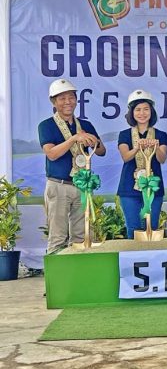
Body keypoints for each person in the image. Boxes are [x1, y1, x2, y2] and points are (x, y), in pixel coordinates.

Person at [38, 78, 106, 253]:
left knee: (81, 236)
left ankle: (78, 276)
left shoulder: (85, 124)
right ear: (54, 102)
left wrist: (94, 141)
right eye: (62, 98)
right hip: (58, 185)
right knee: (58, 236)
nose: (67, 102)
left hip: (82, 185)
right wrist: (74, 138)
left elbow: (101, 151)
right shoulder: (46, 125)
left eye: (71, 97)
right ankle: (56, 278)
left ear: (76, 100)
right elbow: (52, 154)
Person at [117, 90, 167, 239]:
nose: (142, 113)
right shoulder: (124, 135)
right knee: (133, 228)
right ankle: (132, 261)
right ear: (132, 113)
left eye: (146, 109)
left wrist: (156, 147)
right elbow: (125, 157)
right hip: (129, 189)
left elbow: (162, 158)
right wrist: (137, 148)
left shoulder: (160, 135)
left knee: (151, 227)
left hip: (154, 188)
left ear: (151, 112)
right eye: (138, 110)